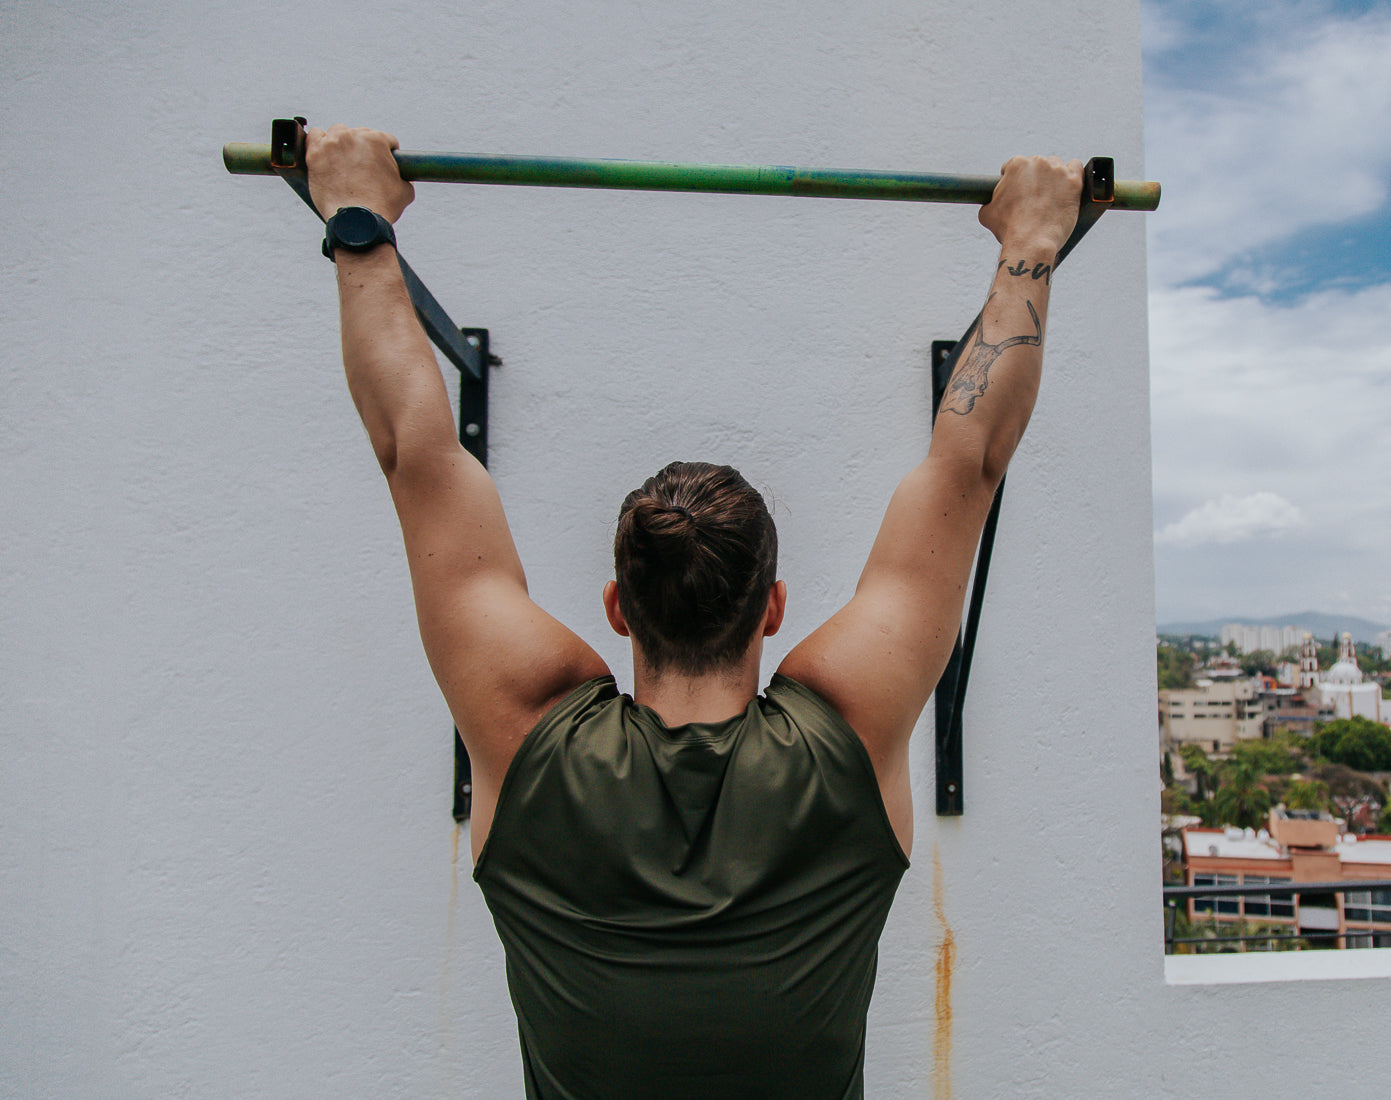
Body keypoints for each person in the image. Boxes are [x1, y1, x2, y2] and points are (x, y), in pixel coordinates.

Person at [305, 125, 1083, 1099]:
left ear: (616, 609)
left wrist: (356, 219)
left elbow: (414, 453)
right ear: (775, 609)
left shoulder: (525, 725)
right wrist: (1034, 238)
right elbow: (969, 463)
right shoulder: (846, 723)